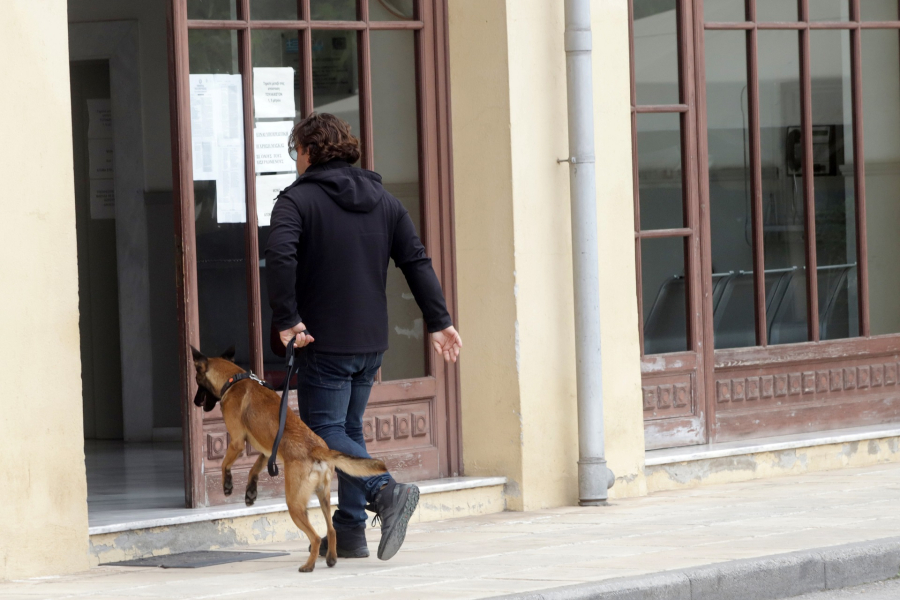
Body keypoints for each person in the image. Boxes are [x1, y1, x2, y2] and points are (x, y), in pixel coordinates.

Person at [265, 113, 463, 561]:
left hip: (321, 340)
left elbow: (279, 256)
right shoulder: (385, 201)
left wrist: (287, 318)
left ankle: (384, 489)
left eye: (297, 150)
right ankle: (351, 531)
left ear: (308, 151)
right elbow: (415, 260)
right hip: (370, 342)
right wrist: (439, 320)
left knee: (326, 435)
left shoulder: (295, 202)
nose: (297, 159)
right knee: (348, 427)